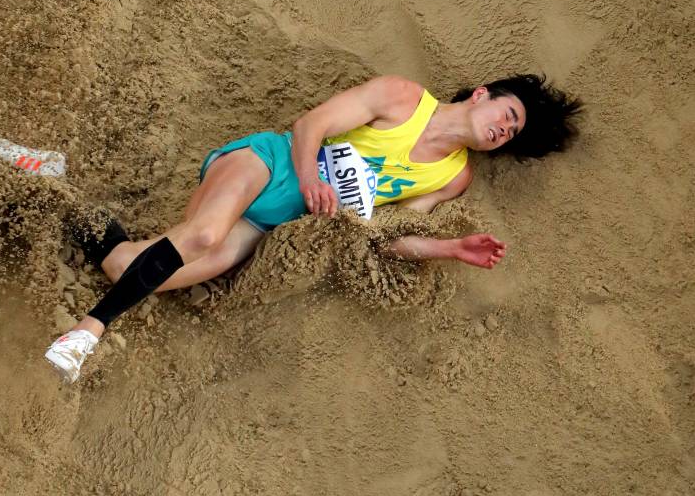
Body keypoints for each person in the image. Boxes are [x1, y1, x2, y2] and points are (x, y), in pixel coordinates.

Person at [44, 73, 582, 382]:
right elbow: (311, 124)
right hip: (270, 164)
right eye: (507, 115)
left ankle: (53, 186)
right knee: (203, 236)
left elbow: (381, 238)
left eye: (511, 135)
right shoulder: (403, 97)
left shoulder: (452, 178)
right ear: (483, 93)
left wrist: (449, 247)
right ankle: (87, 332)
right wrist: (308, 178)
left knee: (123, 264)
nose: (501, 131)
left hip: (271, 225)